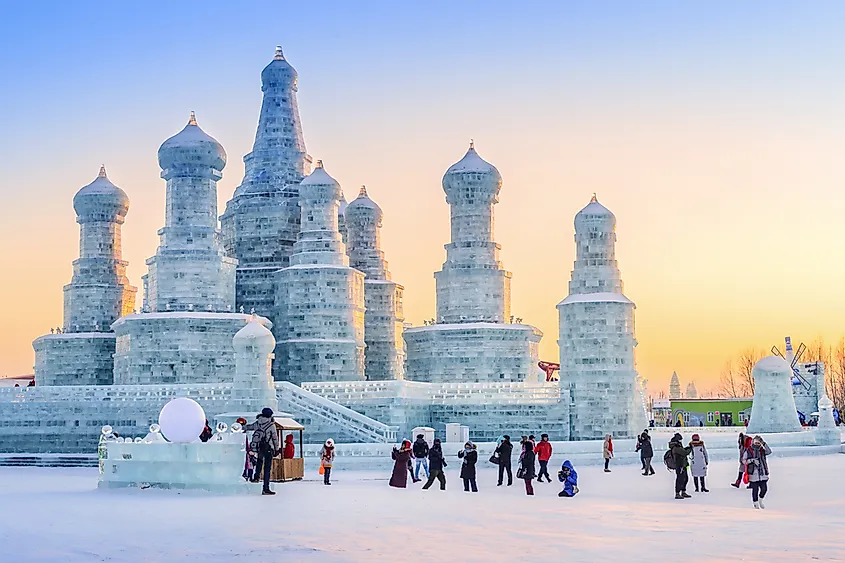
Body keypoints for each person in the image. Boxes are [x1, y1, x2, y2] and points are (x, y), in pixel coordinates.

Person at [247, 407, 280, 496]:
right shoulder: (271, 425)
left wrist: (240, 427)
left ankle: (256, 477)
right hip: (268, 448)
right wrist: (277, 449)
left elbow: (249, 427)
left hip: (259, 447)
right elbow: (275, 438)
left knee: (259, 462)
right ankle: (266, 488)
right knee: (267, 469)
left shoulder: (258, 423)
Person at [742, 435, 771, 509]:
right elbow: (743, 460)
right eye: (756, 442)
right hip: (753, 474)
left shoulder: (762, 450)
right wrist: (751, 460)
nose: (757, 444)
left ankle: (760, 500)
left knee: (764, 489)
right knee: (755, 489)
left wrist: (764, 444)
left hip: (762, 473)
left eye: (759, 443)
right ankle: (755, 503)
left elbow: (769, 451)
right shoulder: (748, 451)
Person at [669, 432, 692, 499]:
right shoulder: (676, 447)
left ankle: (683, 491)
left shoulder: (677, 446)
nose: (681, 440)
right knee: (680, 479)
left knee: (685, 478)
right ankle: (678, 493)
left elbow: (682, 451)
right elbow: (684, 453)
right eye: (680, 439)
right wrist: (689, 448)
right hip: (680, 465)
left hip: (683, 465)